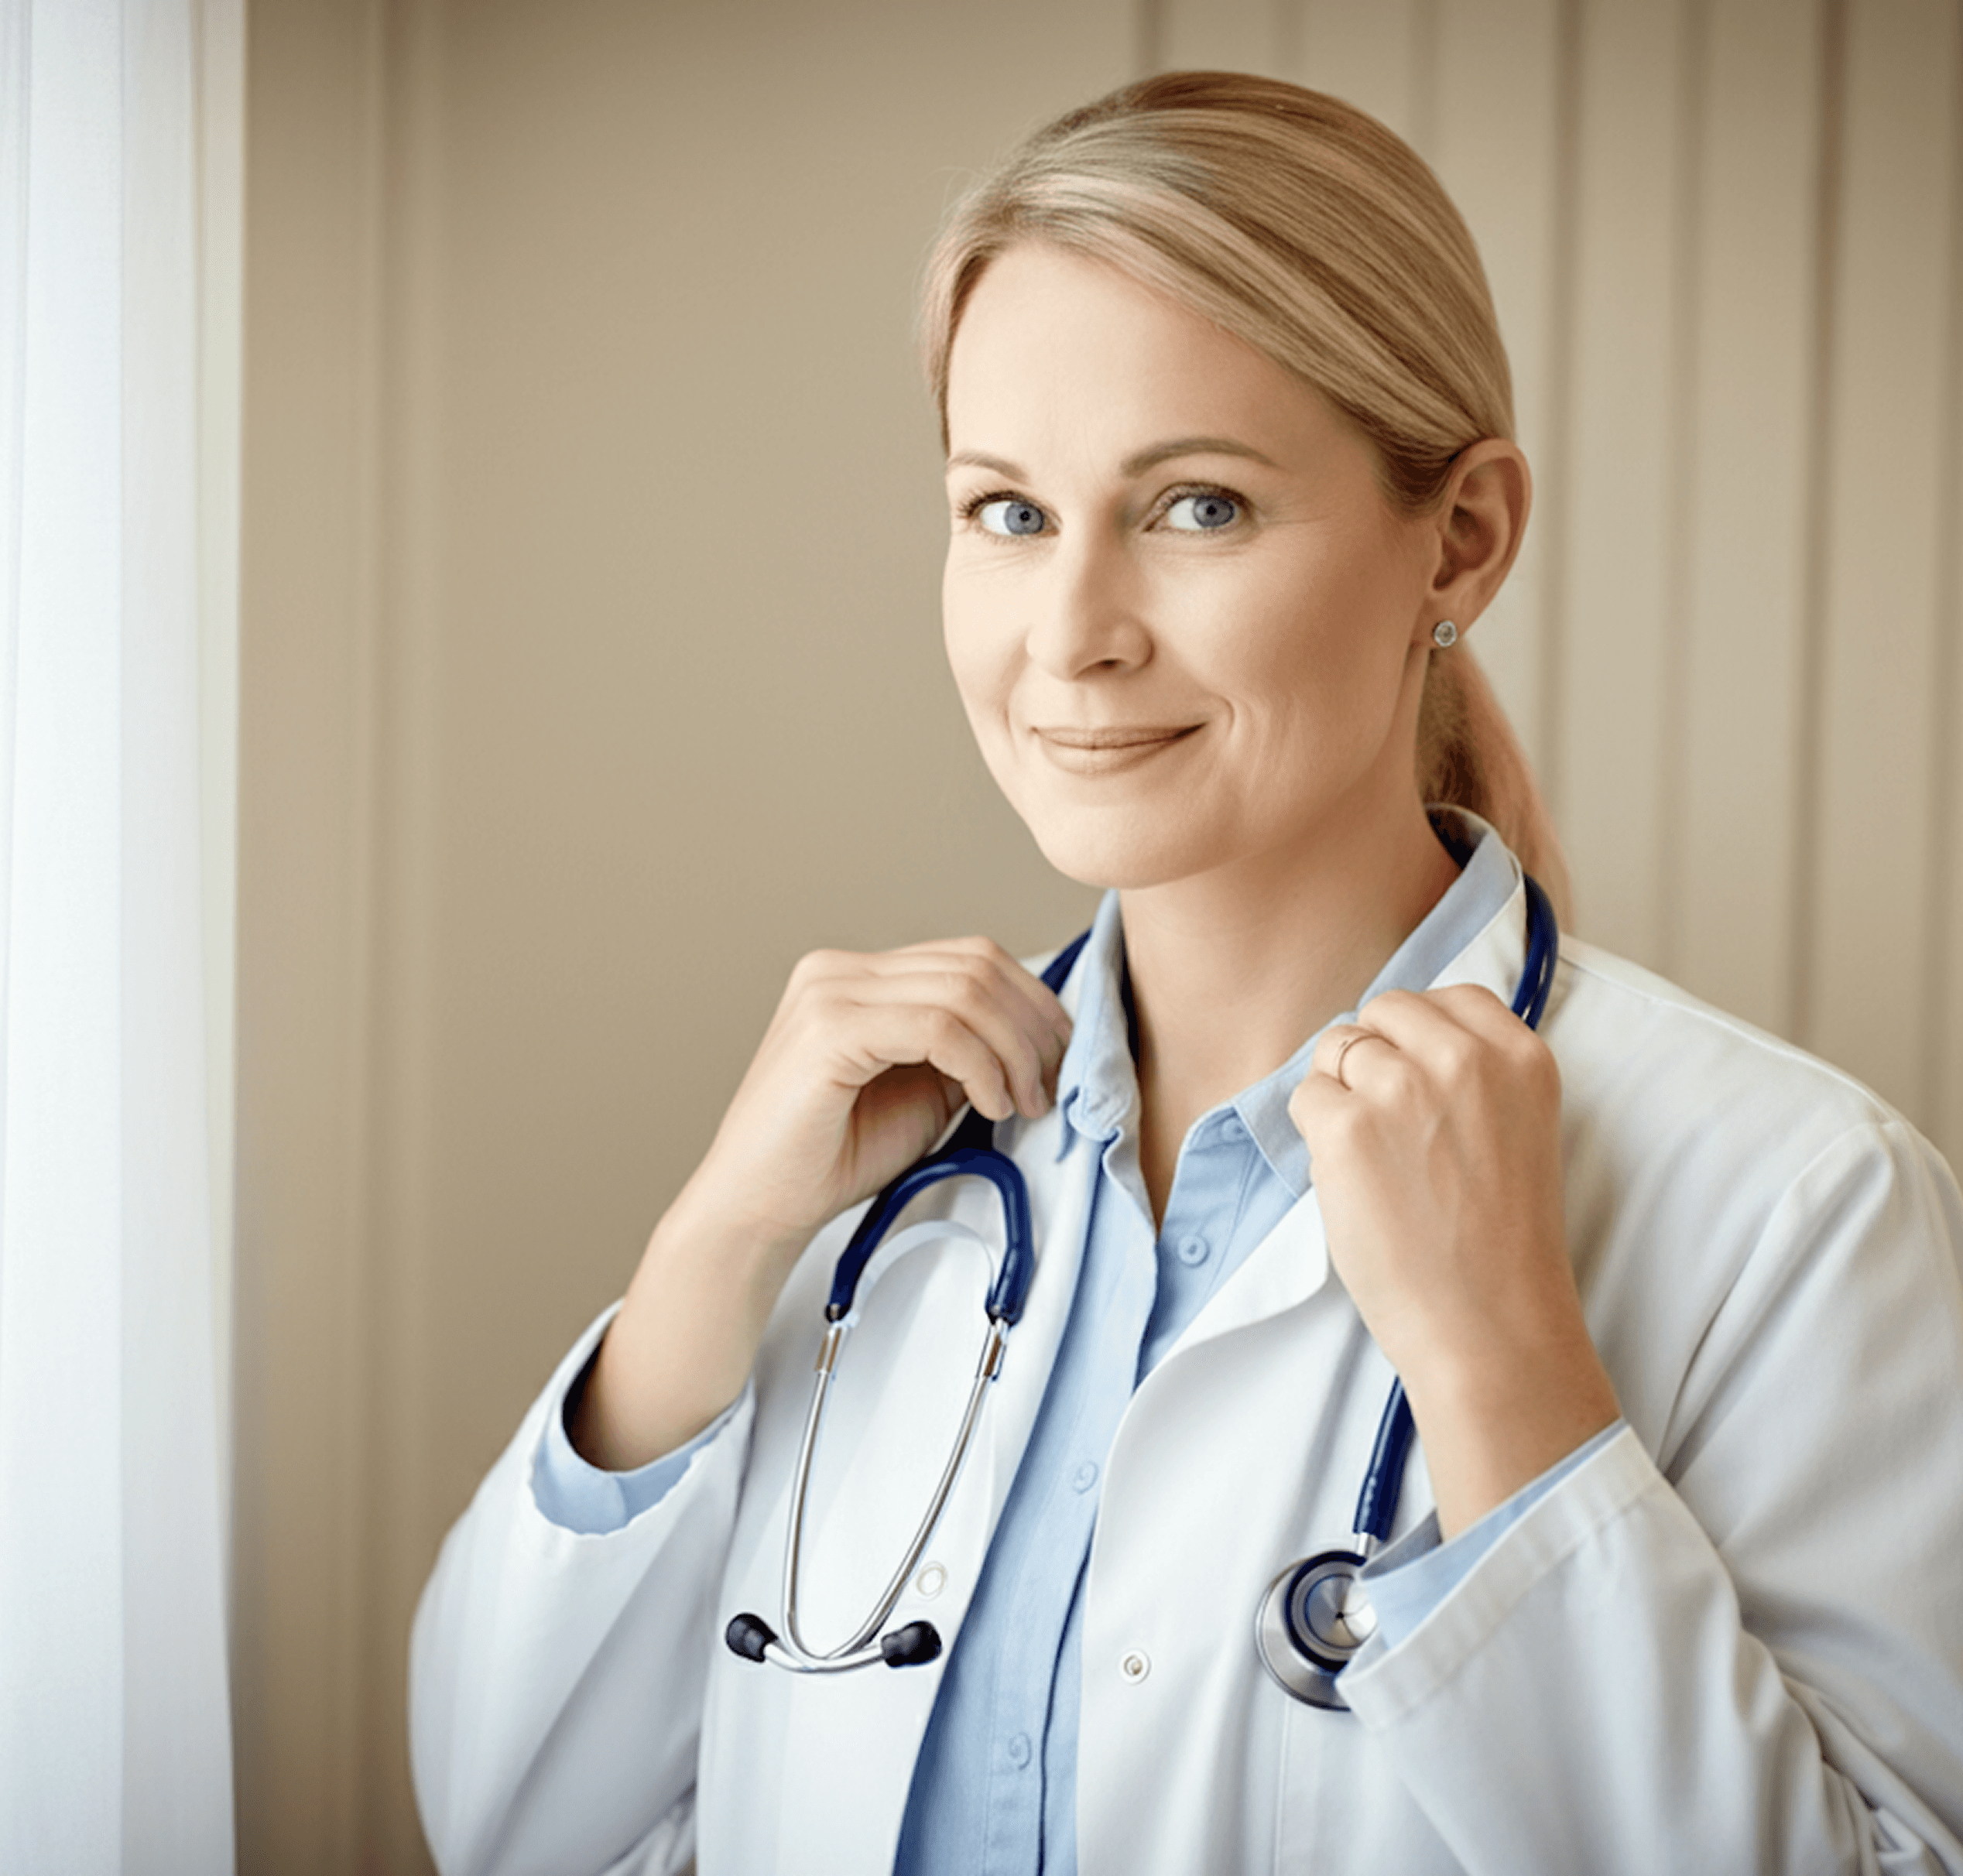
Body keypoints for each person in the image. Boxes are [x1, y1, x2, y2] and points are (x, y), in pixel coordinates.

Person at [409, 72, 1963, 1876]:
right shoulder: (866, 1183)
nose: (1067, 636)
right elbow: (510, 1828)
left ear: (1457, 538)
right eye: (1004, 513)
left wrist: (1505, 1372)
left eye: (1196, 508)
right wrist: (702, 1259)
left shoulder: (1794, 1205)